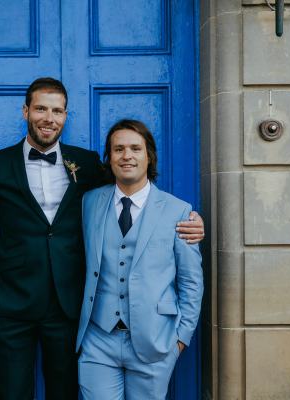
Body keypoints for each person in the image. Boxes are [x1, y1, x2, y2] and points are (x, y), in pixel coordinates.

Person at [0, 78, 204, 400]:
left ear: (66, 115)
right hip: (11, 306)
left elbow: (135, 194)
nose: (49, 118)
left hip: (70, 309)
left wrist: (191, 222)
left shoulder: (89, 164)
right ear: (26, 111)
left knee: (65, 394)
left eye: (57, 111)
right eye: (40, 108)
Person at [76, 119, 204, 400]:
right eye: (118, 149)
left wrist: (180, 339)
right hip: (98, 338)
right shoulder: (89, 202)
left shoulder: (178, 210)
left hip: (155, 340)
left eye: (135, 148)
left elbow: (191, 282)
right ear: (109, 157)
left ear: (149, 156)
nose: (127, 156)